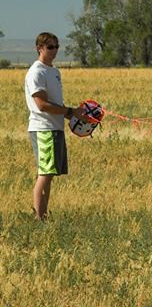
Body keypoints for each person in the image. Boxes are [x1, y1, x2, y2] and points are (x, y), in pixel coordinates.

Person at [24, 32, 80, 220]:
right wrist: (70, 112)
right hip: (43, 128)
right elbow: (42, 105)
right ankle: (39, 218)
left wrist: (75, 117)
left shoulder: (54, 72)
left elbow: (56, 102)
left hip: (55, 127)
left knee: (50, 173)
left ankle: (43, 214)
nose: (54, 50)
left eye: (56, 46)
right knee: (45, 172)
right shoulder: (36, 72)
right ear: (39, 48)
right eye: (50, 47)